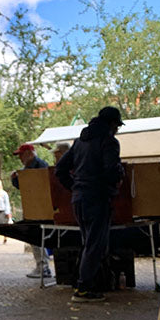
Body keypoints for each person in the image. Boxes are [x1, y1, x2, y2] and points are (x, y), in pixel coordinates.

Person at [55, 106, 126, 303]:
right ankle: (83, 288)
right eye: (117, 126)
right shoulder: (109, 142)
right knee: (95, 244)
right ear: (112, 124)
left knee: (89, 243)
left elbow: (60, 169)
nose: (118, 130)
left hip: (79, 199)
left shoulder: (79, 142)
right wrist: (119, 174)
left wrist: (75, 187)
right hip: (98, 198)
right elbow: (111, 170)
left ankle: (85, 284)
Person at [10, 143, 51, 278]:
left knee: (37, 237)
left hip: (39, 208)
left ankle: (43, 267)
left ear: (29, 154)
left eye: (21, 155)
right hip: (34, 207)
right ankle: (42, 266)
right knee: (35, 237)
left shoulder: (39, 166)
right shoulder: (29, 167)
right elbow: (24, 187)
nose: (20, 158)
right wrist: (15, 179)